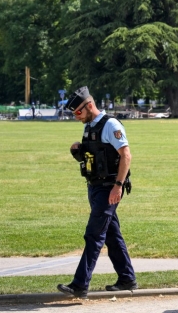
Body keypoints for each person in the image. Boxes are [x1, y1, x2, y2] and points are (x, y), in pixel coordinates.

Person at [57, 86, 136, 298]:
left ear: (89, 105)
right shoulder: (89, 126)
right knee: (112, 235)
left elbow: (125, 155)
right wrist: (78, 152)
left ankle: (80, 285)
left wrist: (118, 186)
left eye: (78, 112)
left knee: (94, 234)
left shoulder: (110, 124)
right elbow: (94, 158)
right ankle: (127, 278)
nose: (76, 117)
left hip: (108, 188)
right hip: (94, 187)